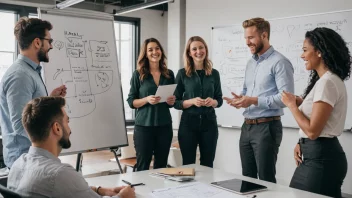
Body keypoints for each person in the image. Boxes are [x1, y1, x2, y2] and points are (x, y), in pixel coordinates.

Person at [7, 97, 135, 198]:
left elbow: (65, 191)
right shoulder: (60, 174)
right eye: (67, 122)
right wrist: (124, 197)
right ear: (57, 128)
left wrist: (99, 190)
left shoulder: (17, 165)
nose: (69, 128)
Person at [223, 17, 294, 183]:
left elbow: (286, 99)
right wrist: (240, 100)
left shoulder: (280, 62)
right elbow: (248, 91)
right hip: (246, 126)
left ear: (264, 35)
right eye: (246, 38)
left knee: (266, 179)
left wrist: (253, 100)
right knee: (247, 178)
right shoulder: (250, 63)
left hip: (267, 127)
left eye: (251, 37)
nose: (247, 42)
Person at [281, 27, 349, 198]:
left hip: (322, 160)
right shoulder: (326, 81)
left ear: (319, 52)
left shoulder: (327, 82)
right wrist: (300, 142)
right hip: (316, 155)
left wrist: (292, 105)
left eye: (305, 50)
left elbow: (313, 131)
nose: (302, 56)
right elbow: (318, 119)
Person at [0, 17, 67, 169]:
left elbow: (30, 112)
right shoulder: (20, 75)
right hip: (24, 160)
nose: (51, 46)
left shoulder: (30, 72)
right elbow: (20, 123)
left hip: (31, 158)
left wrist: (50, 98)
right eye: (49, 41)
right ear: (37, 42)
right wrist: (50, 139)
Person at [127, 38, 175, 171]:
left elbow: (172, 102)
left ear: (161, 51)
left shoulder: (169, 74)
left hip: (164, 126)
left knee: (161, 166)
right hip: (144, 127)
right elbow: (131, 101)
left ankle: (158, 192)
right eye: (150, 49)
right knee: (143, 166)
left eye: (157, 48)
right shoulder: (138, 75)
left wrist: (172, 101)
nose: (155, 52)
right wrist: (146, 99)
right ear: (146, 54)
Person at [174, 36, 223, 168]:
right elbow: (175, 102)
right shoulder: (182, 74)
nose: (198, 51)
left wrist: (213, 102)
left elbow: (219, 99)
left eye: (201, 47)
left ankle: (206, 189)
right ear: (189, 53)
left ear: (205, 50)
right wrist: (191, 101)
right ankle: (189, 189)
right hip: (188, 124)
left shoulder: (214, 74)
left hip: (209, 123)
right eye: (194, 49)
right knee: (188, 165)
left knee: (207, 165)